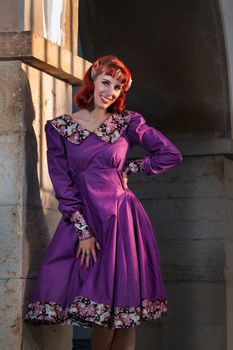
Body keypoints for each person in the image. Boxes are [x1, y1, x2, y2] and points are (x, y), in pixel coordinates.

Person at [24, 55, 182, 350]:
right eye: (105, 82)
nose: (110, 91)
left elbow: (170, 153)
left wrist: (131, 168)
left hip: (123, 218)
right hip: (85, 221)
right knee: (99, 312)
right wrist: (84, 232)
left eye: (118, 87)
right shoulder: (59, 128)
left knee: (125, 313)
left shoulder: (128, 123)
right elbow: (63, 185)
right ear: (92, 82)